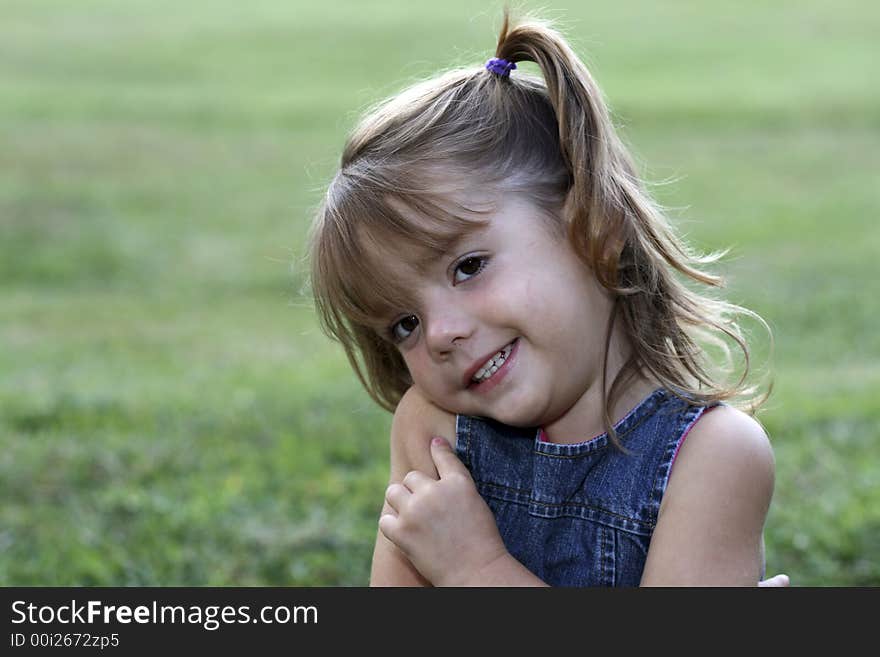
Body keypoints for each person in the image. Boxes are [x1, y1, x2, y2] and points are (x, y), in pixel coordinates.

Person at [309, 10, 789, 586]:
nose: (439, 334)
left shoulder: (712, 458)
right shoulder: (433, 429)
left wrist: (476, 570)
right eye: (405, 324)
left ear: (593, 226)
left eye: (468, 267)